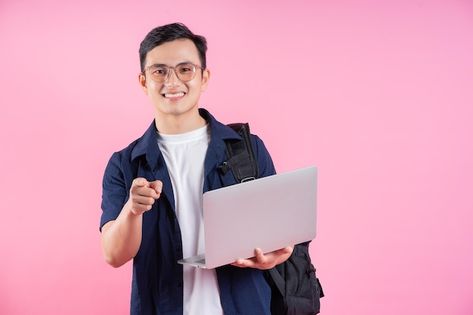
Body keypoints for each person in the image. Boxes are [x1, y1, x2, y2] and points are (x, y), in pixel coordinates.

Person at [100, 22, 293, 315]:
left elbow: (277, 233)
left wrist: (273, 256)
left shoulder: (247, 149)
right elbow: (114, 255)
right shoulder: (125, 163)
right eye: (159, 71)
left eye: (185, 69)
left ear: (204, 77)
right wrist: (132, 210)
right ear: (143, 82)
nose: (172, 81)